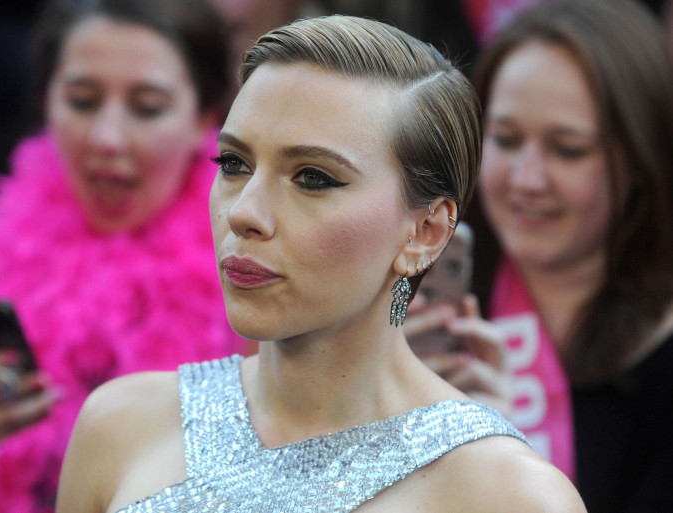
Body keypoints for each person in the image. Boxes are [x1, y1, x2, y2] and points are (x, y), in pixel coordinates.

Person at [56, 16, 585, 513]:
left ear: (426, 231)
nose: (244, 213)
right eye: (235, 164)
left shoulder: (506, 495)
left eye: (312, 177)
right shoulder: (120, 425)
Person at [0, 0, 244, 511]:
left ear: (206, 119)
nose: (106, 137)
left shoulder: (249, 271)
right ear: (47, 104)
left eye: (147, 107)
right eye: (83, 101)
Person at [439, 0, 673, 510]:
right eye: (505, 139)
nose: (526, 179)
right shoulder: (432, 306)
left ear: (638, 157)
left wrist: (502, 474)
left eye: (567, 149)